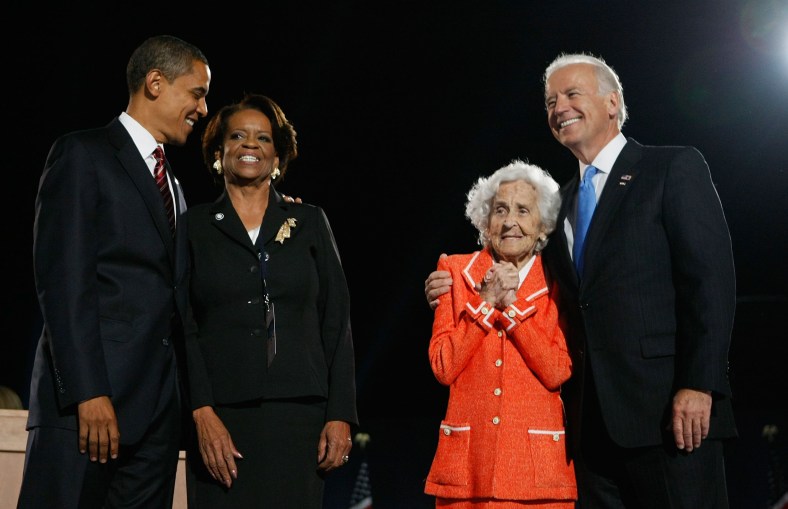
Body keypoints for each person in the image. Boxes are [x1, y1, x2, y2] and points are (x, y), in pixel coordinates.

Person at [425, 52, 737, 508]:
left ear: (613, 102)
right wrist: (445, 285)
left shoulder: (671, 168)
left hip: (670, 417)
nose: (559, 107)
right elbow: (519, 265)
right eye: (551, 100)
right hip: (588, 433)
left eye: (572, 94)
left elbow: (711, 283)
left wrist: (700, 384)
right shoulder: (560, 205)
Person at [19, 35, 210, 509]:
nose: (203, 109)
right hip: (88, 409)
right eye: (197, 92)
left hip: (157, 419)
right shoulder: (83, 154)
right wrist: (89, 393)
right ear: (155, 82)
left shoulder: (176, 188)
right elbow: (64, 283)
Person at [183, 93, 358, 509]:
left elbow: (337, 320)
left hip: (299, 416)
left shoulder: (310, 221)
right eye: (238, 136)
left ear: (277, 155)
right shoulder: (193, 227)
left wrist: (341, 414)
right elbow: (184, 324)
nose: (250, 145)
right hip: (222, 417)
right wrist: (201, 411)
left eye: (263, 138)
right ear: (218, 151)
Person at [424, 159, 576, 508]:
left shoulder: (560, 283)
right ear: (484, 221)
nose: (510, 222)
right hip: (466, 473)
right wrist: (486, 302)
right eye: (500, 210)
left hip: (538, 475)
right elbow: (443, 366)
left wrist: (513, 309)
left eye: (524, 211)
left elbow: (556, 371)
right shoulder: (454, 270)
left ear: (543, 226)